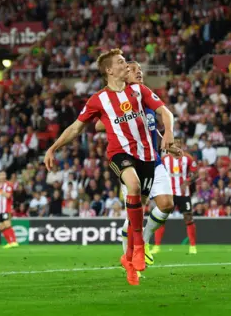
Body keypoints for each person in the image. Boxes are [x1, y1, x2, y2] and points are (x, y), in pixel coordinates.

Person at [44, 49, 181, 286]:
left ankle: (129, 259)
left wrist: (168, 132)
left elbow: (165, 112)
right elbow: (77, 127)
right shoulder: (98, 100)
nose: (125, 65)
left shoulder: (138, 90)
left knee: (152, 200)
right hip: (120, 155)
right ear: (109, 70)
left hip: (148, 157)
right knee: (133, 185)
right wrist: (53, 148)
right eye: (120, 62)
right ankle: (139, 246)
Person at [95, 61, 175, 266]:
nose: (139, 72)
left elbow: (154, 126)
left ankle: (144, 240)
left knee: (167, 204)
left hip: (154, 160)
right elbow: (97, 124)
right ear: (122, 74)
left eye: (141, 69)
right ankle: (129, 259)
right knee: (136, 211)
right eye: (133, 70)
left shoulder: (143, 95)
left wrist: (167, 141)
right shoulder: (118, 98)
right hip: (132, 161)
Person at [154, 152, 198, 254]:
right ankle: (157, 246)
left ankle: (192, 246)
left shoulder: (187, 158)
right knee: (161, 219)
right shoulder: (164, 159)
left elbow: (195, 173)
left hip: (183, 194)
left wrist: (187, 181)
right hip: (168, 193)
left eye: (178, 142)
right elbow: (157, 173)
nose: (176, 144)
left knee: (188, 218)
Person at [0, 171, 18, 249]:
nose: (2, 176)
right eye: (1, 175)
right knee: (1, 227)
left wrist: (0, 190)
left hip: (6, 209)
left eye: (4, 175)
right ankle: (9, 242)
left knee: (7, 224)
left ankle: (14, 241)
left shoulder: (8, 184)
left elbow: (8, 195)